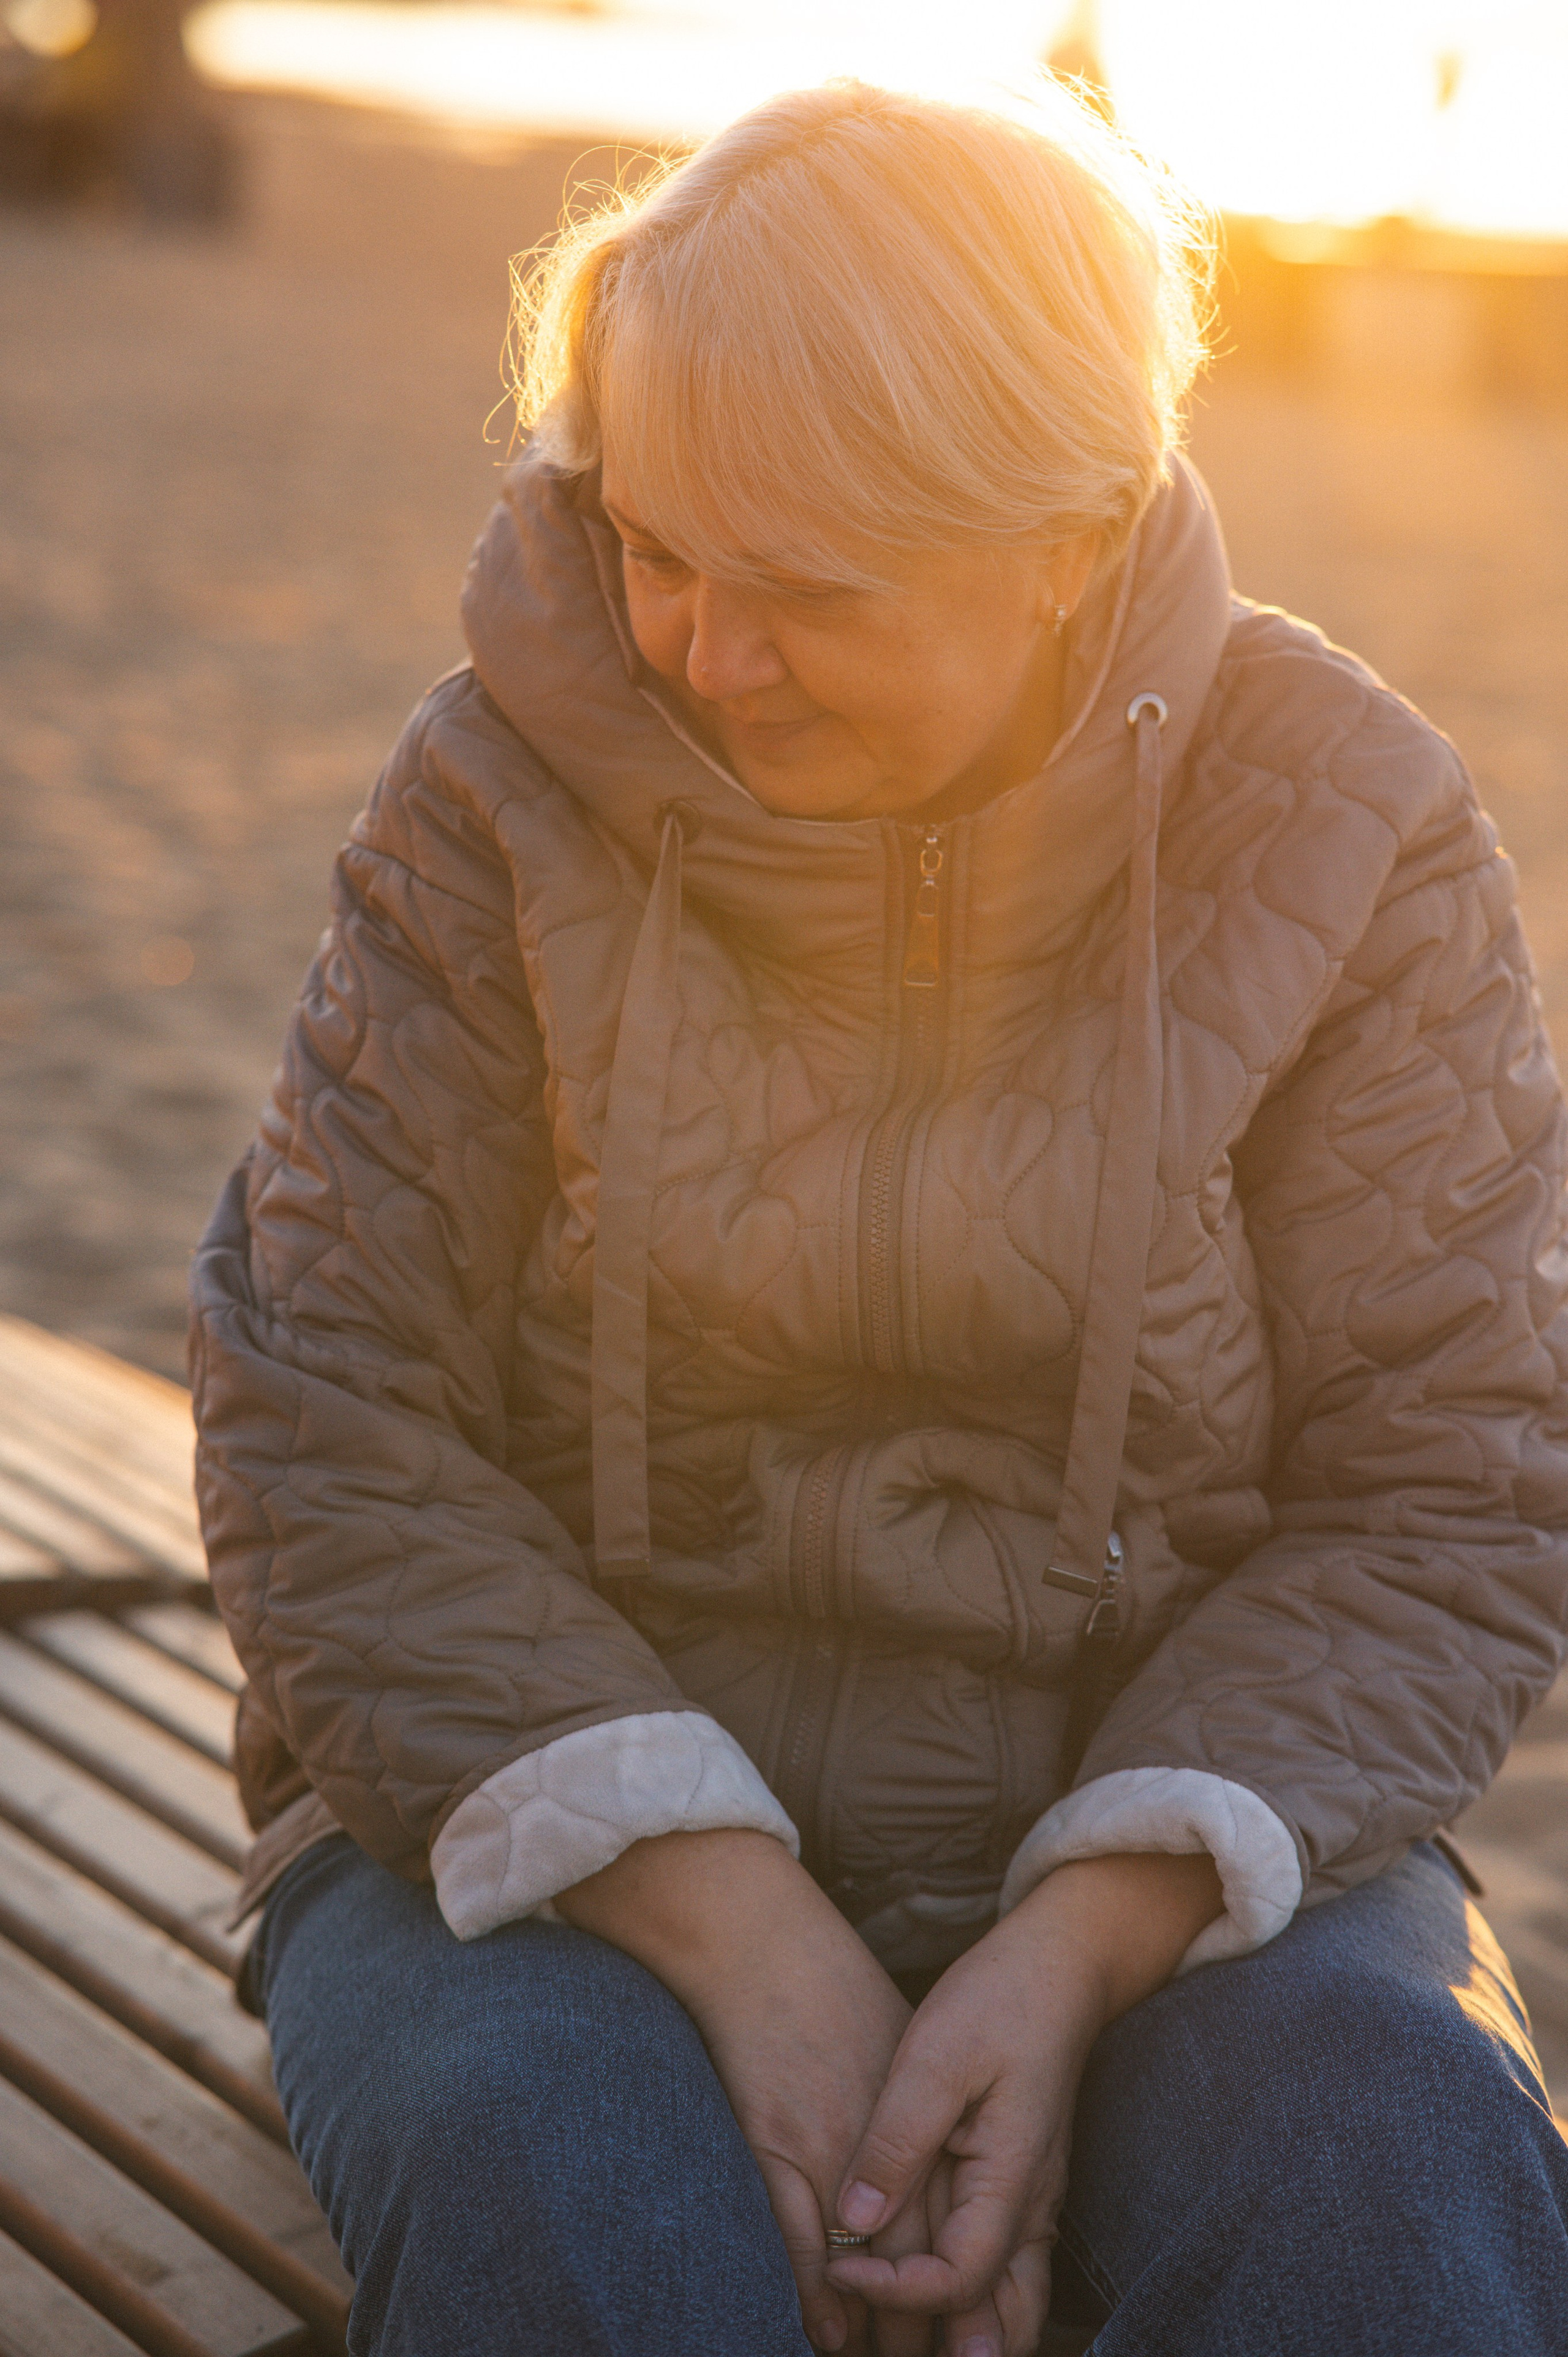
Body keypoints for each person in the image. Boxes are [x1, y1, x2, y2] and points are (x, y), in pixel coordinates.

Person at [189, 76, 1568, 2357]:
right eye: (655, 546)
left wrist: (1091, 1924)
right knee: (566, 2197)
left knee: (1394, 2170)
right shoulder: (492, 789)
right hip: (527, 1831)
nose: (703, 657)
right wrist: (722, 1910)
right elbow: (319, 1413)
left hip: (1186, 1837)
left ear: (1069, 534)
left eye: (808, 587)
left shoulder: (1353, 827)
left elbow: (1451, 1484)